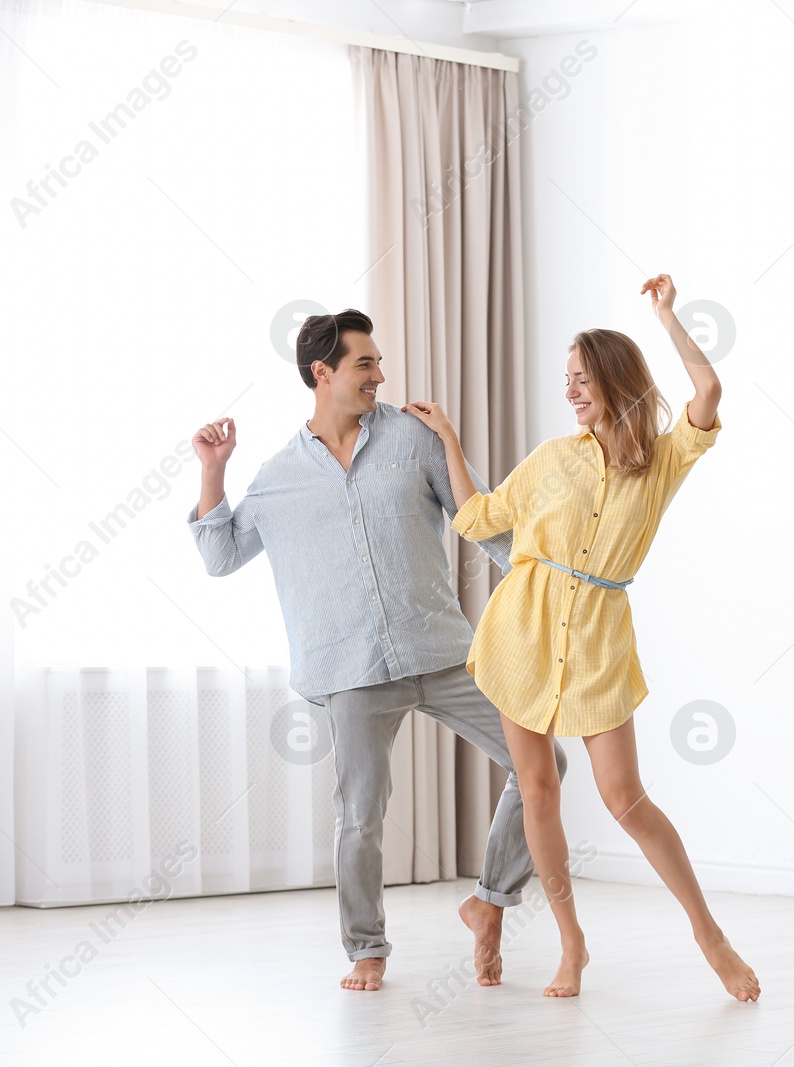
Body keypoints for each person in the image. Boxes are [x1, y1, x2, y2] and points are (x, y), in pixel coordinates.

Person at [401, 274, 760, 1001]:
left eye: (581, 378)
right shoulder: (549, 458)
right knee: (537, 792)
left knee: (625, 798)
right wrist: (448, 439)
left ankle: (708, 932)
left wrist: (667, 316)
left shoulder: (660, 459)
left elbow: (709, 390)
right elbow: (476, 518)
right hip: (521, 634)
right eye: (565, 379)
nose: (570, 391)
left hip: (598, 640)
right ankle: (572, 944)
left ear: (613, 379)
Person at [188, 308, 567, 993]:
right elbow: (220, 555)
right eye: (366, 364)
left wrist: (548, 585)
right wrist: (214, 472)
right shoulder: (278, 476)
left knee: (545, 762)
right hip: (351, 670)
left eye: (377, 363)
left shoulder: (415, 440)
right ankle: (366, 949)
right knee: (359, 815)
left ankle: (489, 898)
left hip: (445, 650)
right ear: (321, 372)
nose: (381, 376)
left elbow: (482, 525)